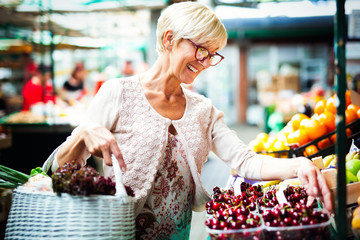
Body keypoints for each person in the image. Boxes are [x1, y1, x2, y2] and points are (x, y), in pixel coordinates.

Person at [47, 2, 332, 239]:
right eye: (201, 49)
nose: (206, 62)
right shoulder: (118, 93)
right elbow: (57, 170)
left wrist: (298, 164)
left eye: (212, 54)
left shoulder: (202, 110)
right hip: (114, 232)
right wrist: (84, 132)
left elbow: (245, 161)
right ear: (169, 39)